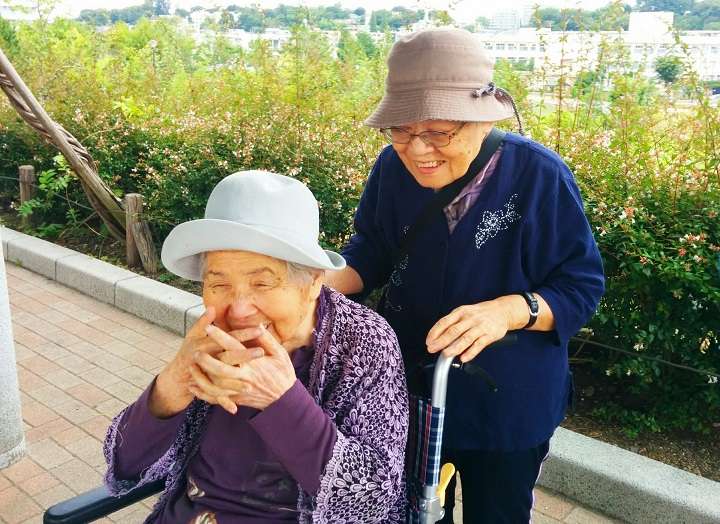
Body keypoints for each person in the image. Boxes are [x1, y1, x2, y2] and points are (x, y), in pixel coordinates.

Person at [324, 28, 605, 523]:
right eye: (401, 130)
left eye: (438, 132)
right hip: (406, 391)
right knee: (410, 513)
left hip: (506, 406)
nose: (417, 150)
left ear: (483, 118)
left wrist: (506, 312)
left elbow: (580, 286)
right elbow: (371, 251)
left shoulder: (538, 175)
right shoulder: (391, 168)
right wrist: (310, 285)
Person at [103, 171, 408, 523]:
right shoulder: (212, 340)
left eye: (262, 283)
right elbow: (123, 466)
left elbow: (373, 501)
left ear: (312, 282)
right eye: (219, 285)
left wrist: (281, 401)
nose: (239, 310)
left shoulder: (364, 342)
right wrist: (171, 387)